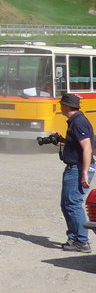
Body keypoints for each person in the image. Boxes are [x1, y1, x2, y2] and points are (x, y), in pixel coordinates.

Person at [53, 92, 92, 253]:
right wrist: (62, 140)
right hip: (74, 167)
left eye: (62, 103)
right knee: (67, 204)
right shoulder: (75, 121)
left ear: (67, 106)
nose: (60, 106)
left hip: (77, 168)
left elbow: (87, 148)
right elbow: (78, 143)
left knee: (73, 204)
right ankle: (75, 238)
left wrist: (84, 172)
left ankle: (82, 241)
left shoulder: (79, 122)